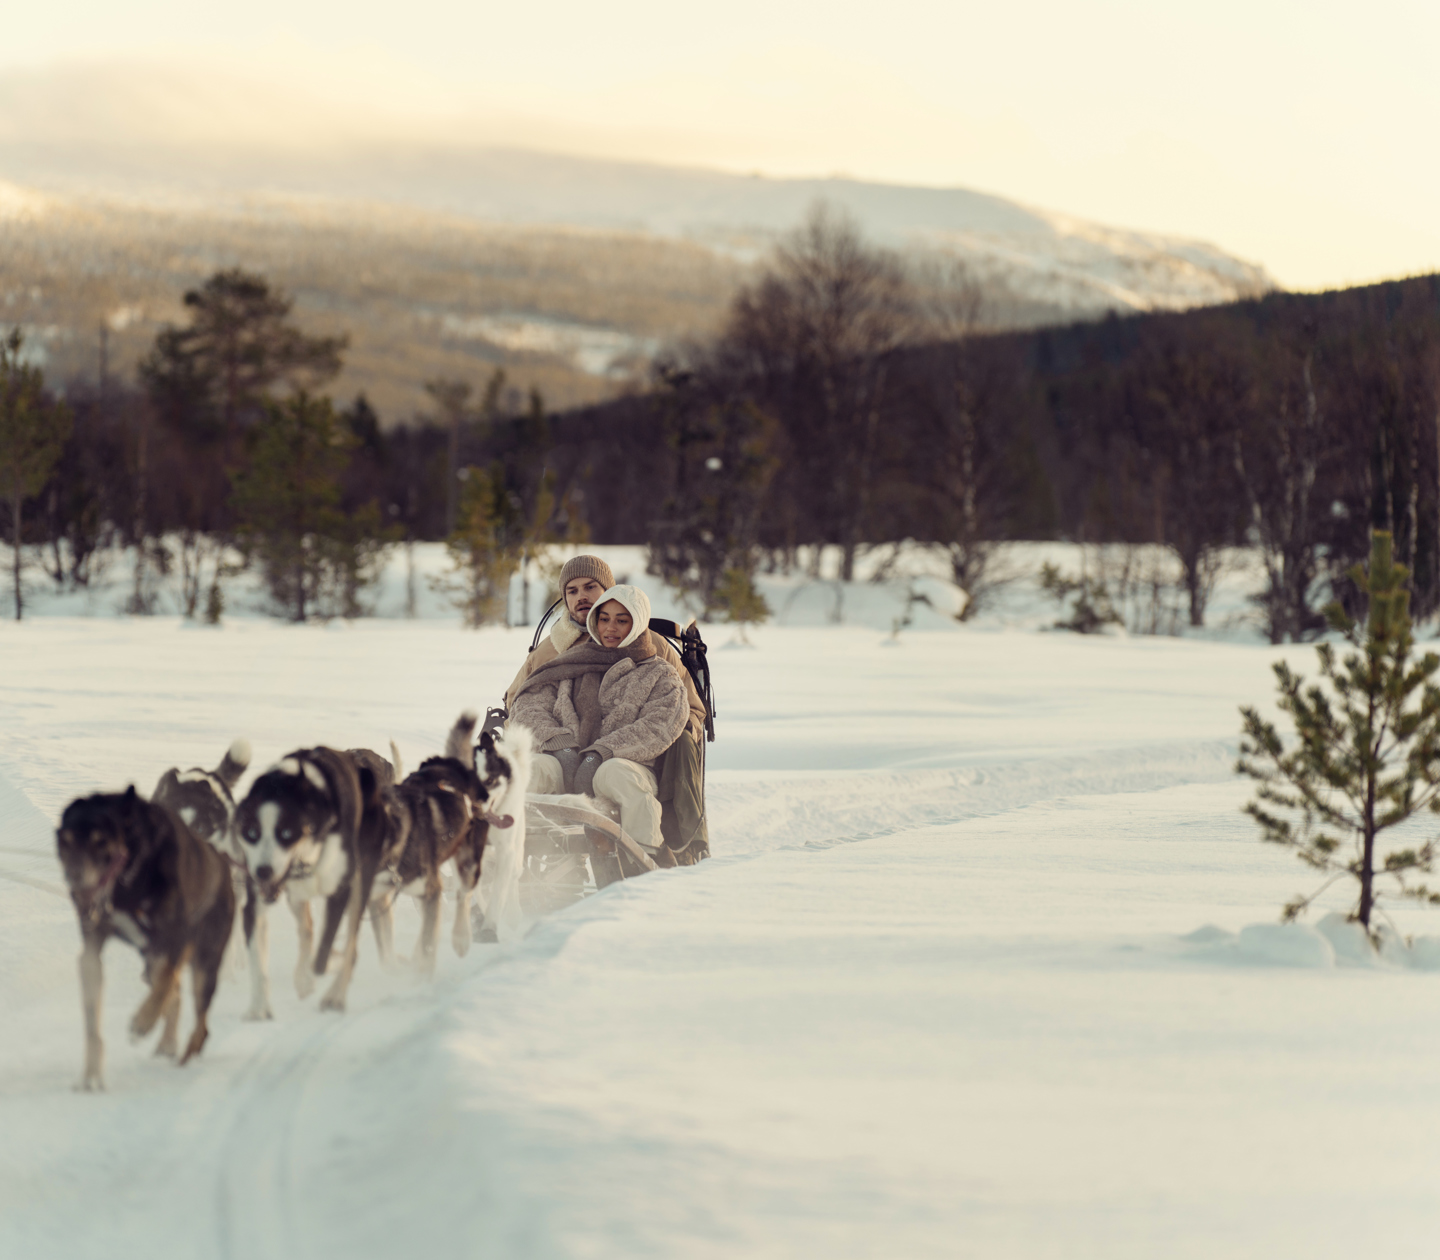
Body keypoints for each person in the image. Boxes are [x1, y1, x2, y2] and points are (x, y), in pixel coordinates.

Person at [509, 584, 687, 855]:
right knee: (531, 770)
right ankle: (514, 858)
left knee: (615, 774)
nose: (610, 628)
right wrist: (560, 746)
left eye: (621, 620)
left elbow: (659, 726)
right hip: (564, 759)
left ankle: (643, 862)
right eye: (604, 619)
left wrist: (600, 754)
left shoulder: (660, 674)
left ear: (638, 623)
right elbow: (529, 706)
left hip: (627, 764)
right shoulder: (569, 663)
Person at [506, 555, 707, 742]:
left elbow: (692, 708)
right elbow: (517, 704)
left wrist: (678, 736)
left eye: (590, 587)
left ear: (608, 591)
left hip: (633, 752)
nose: (581, 597)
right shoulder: (548, 651)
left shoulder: (650, 643)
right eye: (572, 591)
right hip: (562, 751)